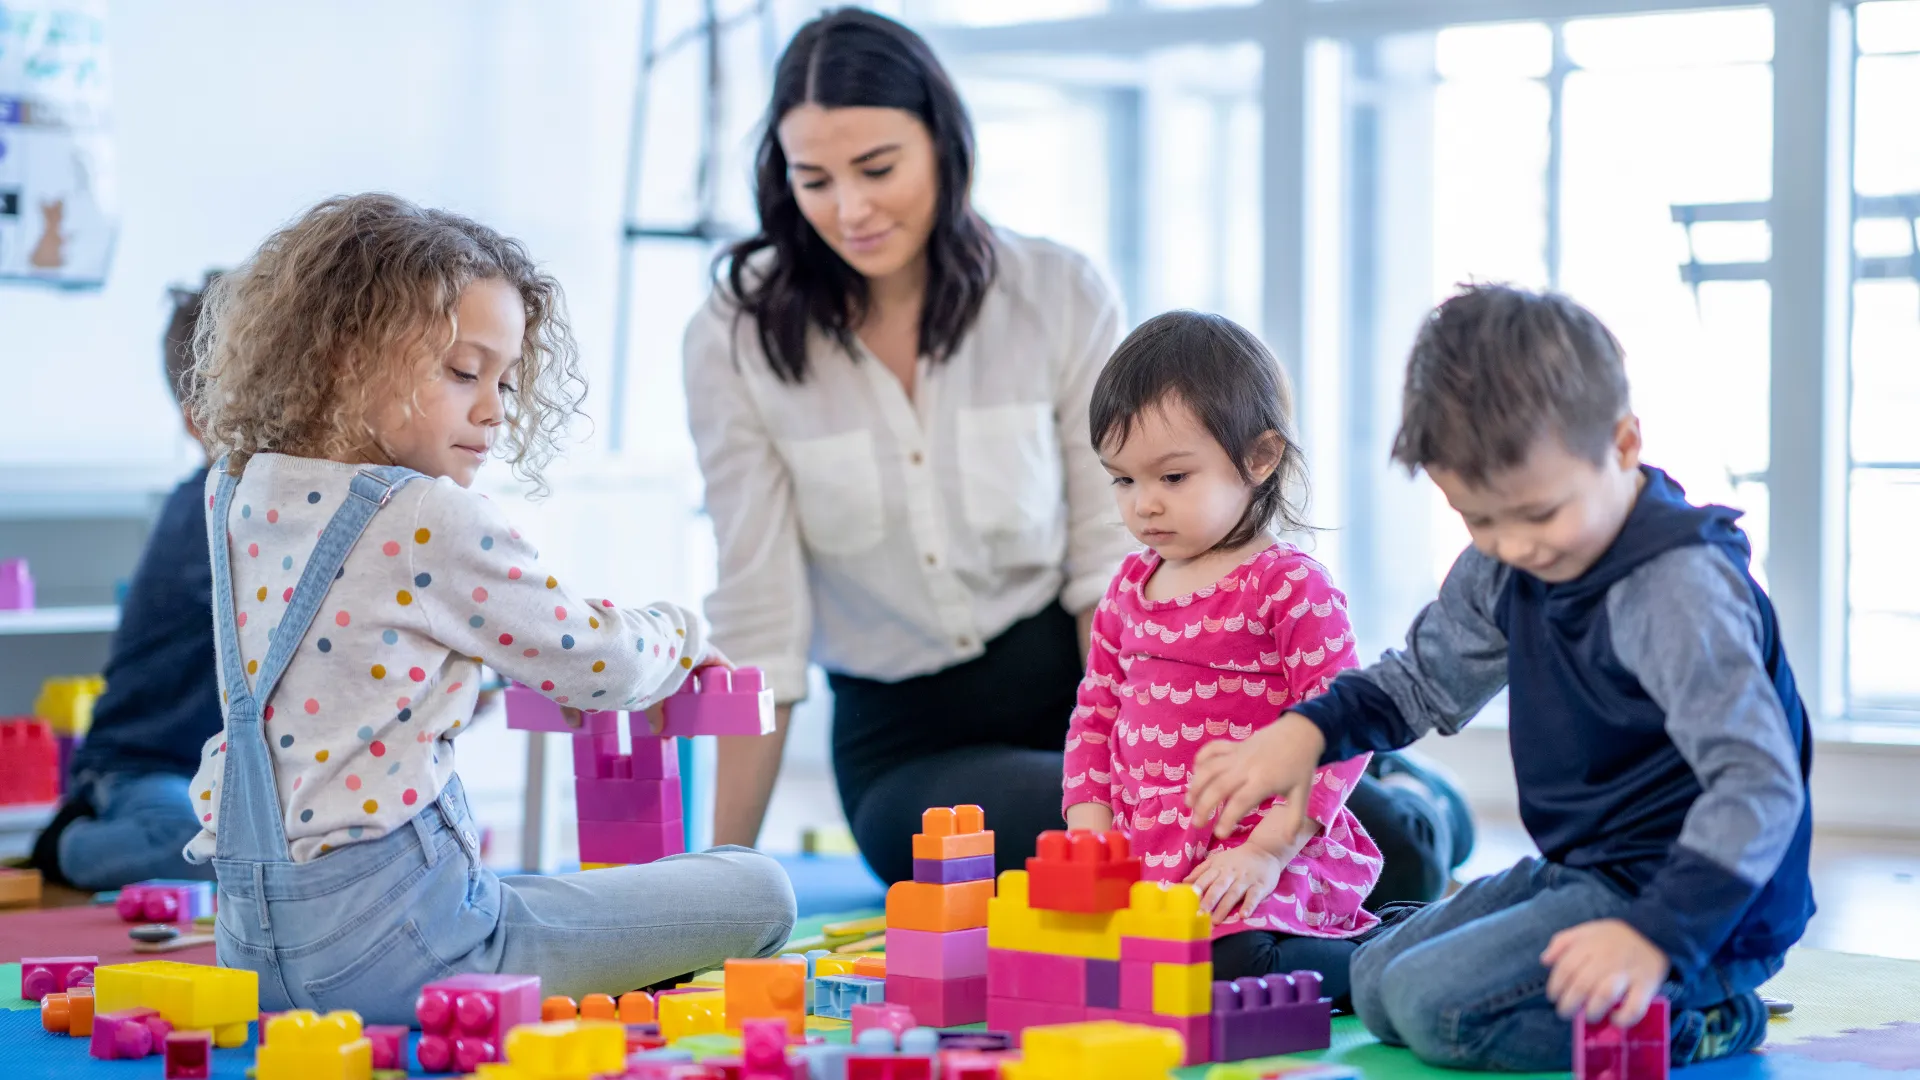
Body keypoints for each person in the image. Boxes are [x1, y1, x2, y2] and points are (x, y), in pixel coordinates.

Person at [685, 6, 1473, 898]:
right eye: (813, 180)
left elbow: (1115, 556)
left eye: (877, 168)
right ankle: (1400, 801)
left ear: (946, 146)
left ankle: (1403, 793)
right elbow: (760, 619)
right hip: (916, 748)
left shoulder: (1053, 292)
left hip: (1107, 687)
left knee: (1357, 839)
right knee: (1133, 868)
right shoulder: (734, 336)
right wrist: (723, 884)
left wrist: (1152, 759)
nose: (850, 209)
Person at [182, 193, 794, 1024]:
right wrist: (681, 636)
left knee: (542, 892)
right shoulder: (425, 513)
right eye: (464, 372)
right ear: (343, 357)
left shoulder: (236, 491)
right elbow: (596, 662)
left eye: (505, 380)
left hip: (251, 953)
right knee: (759, 887)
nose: (495, 409)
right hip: (409, 956)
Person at [1188, 284, 1812, 1069]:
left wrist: (1656, 937)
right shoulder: (1507, 561)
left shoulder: (1673, 589)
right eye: (1479, 519)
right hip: (1586, 871)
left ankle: (1709, 1016)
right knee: (1378, 984)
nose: (1513, 545)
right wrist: (1304, 733)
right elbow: (1420, 681)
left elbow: (1758, 786)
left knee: (1435, 1014)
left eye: (1539, 515)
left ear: (1622, 446)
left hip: (1699, 907)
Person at [1064, 311, 1380, 998]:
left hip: (1268, 853)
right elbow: (1095, 717)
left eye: (1173, 478)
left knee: (1229, 967)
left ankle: (1392, 956)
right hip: (1156, 862)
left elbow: (1343, 730)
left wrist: (1267, 850)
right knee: (1094, 968)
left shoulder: (1288, 586)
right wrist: (1088, 833)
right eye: (1121, 481)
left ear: (1260, 458)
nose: (1143, 505)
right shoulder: (1126, 588)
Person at [30, 276, 225, 890]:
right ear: (197, 423)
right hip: (143, 770)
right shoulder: (202, 513)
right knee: (193, 848)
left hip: (221, 782)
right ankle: (66, 846)